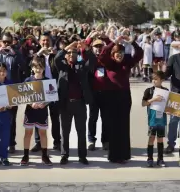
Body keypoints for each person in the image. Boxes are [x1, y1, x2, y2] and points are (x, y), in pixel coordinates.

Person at [98, 35, 143, 163]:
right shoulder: (109, 63)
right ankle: (114, 155)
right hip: (110, 96)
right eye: (117, 53)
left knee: (123, 125)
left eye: (121, 53)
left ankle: (124, 154)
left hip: (124, 96)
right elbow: (102, 55)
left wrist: (132, 42)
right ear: (113, 54)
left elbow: (139, 54)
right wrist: (114, 42)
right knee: (112, 126)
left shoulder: (127, 63)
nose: (119, 55)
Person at [55, 40, 96, 165]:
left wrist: (86, 48)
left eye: (74, 53)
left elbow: (93, 61)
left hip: (80, 104)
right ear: (66, 55)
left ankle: (82, 156)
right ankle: (64, 155)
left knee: (81, 132)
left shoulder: (81, 65)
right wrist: (67, 47)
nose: (71, 54)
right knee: (65, 132)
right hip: (65, 104)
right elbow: (57, 58)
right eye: (69, 53)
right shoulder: (62, 67)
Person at [31, 33, 61, 152]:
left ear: (51, 42)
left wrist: (56, 54)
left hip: (53, 89)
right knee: (39, 116)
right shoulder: (37, 55)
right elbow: (30, 66)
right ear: (39, 42)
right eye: (43, 41)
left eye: (47, 40)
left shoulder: (57, 54)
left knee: (55, 117)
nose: (45, 43)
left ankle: (57, 141)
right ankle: (38, 142)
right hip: (40, 88)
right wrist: (39, 53)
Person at [20, 58, 52, 166]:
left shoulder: (47, 81)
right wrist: (30, 103)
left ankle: (44, 155)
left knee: (43, 133)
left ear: (43, 68)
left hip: (42, 111)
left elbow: (51, 97)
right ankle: (25, 155)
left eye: (40, 68)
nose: (38, 70)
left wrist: (45, 103)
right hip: (30, 111)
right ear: (32, 68)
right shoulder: (28, 80)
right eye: (36, 68)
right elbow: (23, 96)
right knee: (28, 133)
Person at [141, 71, 168, 167]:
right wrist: (153, 99)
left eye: (156, 79)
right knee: (151, 138)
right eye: (153, 79)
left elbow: (169, 105)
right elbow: (143, 103)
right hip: (152, 120)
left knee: (160, 139)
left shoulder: (166, 91)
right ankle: (150, 158)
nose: (154, 81)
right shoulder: (149, 91)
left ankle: (160, 159)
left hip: (162, 120)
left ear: (162, 80)